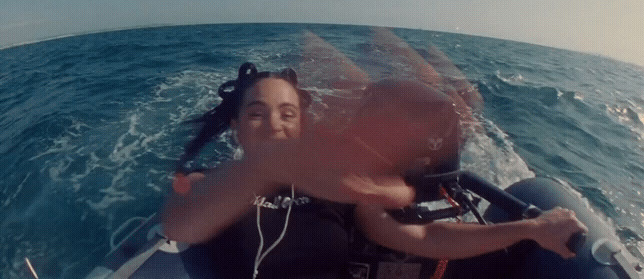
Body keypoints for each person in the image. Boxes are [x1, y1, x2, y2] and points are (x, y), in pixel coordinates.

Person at [162, 62, 587, 279]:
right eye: (257, 114)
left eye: (288, 114)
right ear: (235, 127)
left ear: (302, 123)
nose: (275, 124)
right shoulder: (209, 186)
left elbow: (420, 237)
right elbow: (182, 223)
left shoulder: (337, 188)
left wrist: (528, 229)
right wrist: (277, 165)